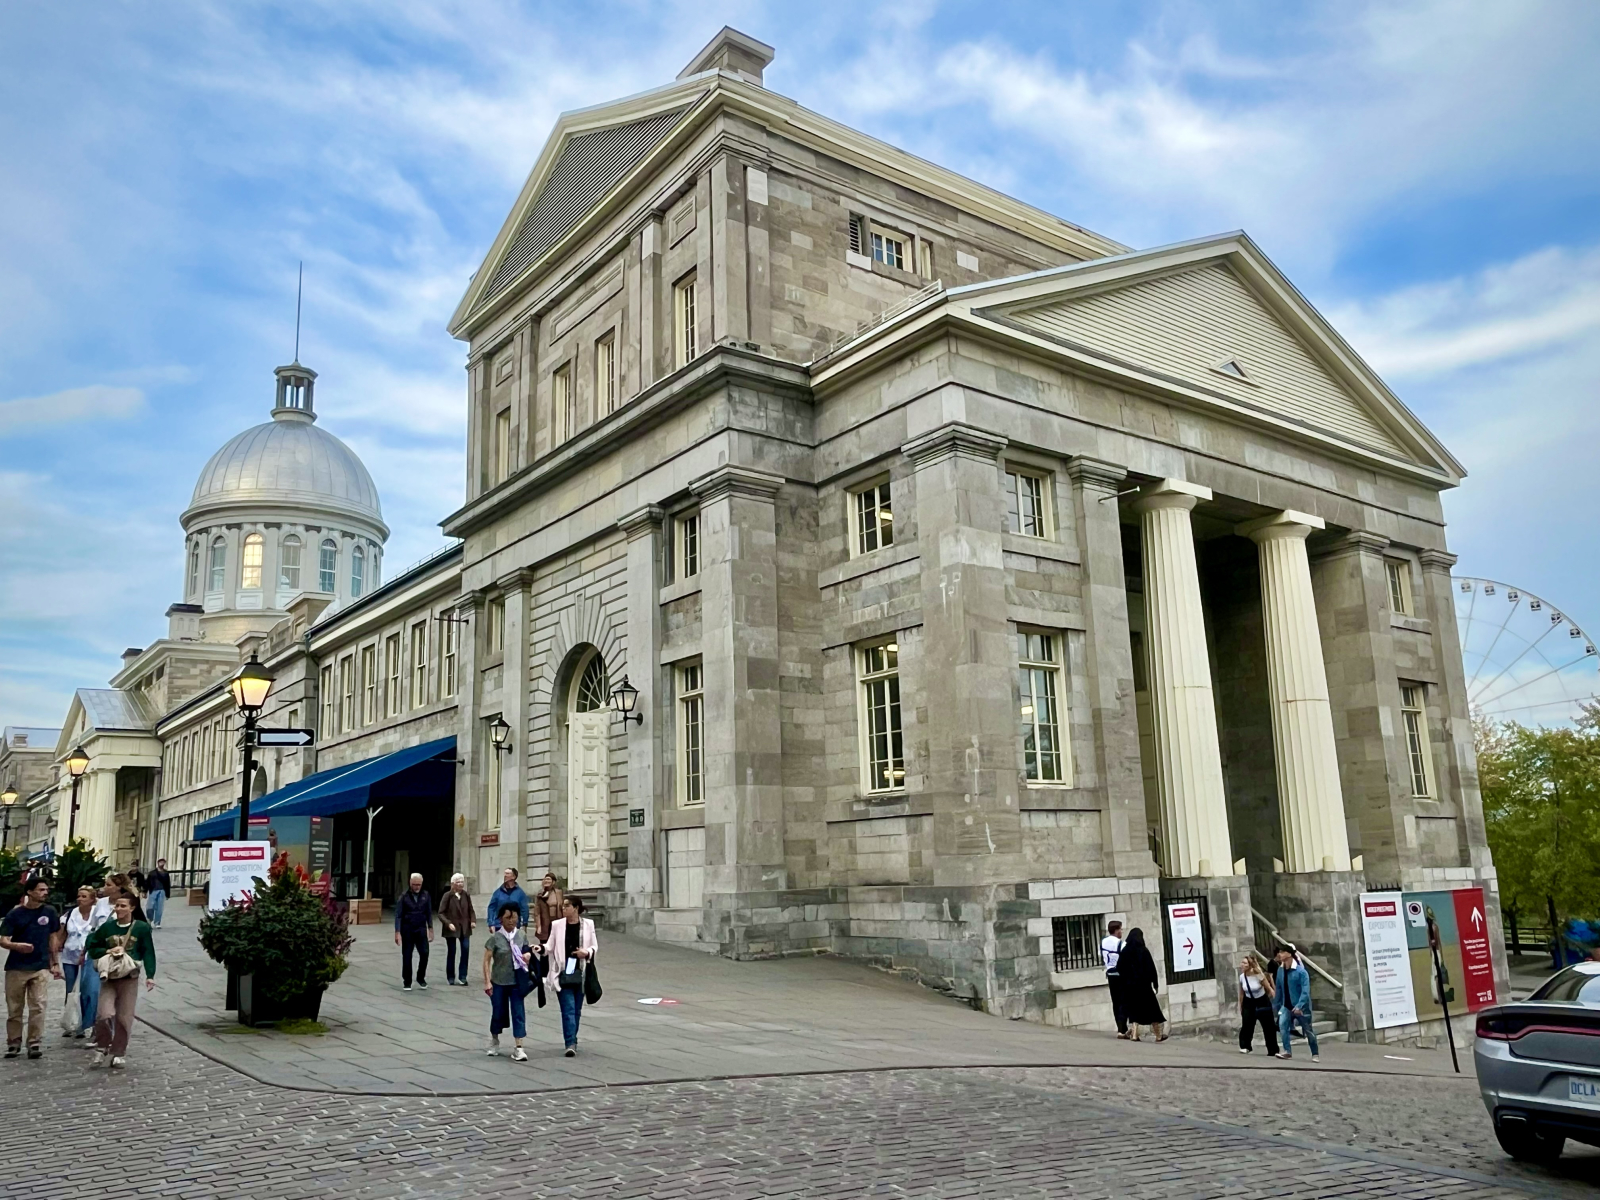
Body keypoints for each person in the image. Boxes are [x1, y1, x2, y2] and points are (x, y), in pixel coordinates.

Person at [83, 894, 156, 1068]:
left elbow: (148, 951)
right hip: (109, 977)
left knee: (124, 1017)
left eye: (123, 906)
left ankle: (119, 1052)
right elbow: (91, 946)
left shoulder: (141, 928)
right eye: (117, 905)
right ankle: (102, 1046)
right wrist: (108, 951)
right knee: (104, 1014)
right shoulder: (107, 928)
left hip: (129, 977)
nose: (119, 909)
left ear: (132, 908)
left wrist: (151, 975)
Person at [1, 876, 62, 1059]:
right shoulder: (15, 914)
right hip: (16, 967)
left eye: (46, 890)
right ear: (29, 892)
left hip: (40, 966)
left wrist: (55, 962)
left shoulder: (50, 912)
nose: (45, 893)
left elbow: (53, 937)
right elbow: (3, 940)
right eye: (41, 890)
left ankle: (34, 1042)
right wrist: (17, 946)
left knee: (38, 1006)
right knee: (15, 1008)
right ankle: (14, 1042)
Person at [544, 895, 596, 1057]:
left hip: (580, 972)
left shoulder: (588, 924)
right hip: (562, 972)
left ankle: (573, 1038)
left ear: (576, 908)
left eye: (567, 906)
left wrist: (585, 952)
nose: (563, 908)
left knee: (577, 1010)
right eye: (563, 906)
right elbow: (550, 946)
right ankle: (570, 1042)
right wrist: (540, 949)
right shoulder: (557, 925)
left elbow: (594, 946)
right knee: (568, 1009)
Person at [56, 884, 108, 1040]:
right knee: (71, 990)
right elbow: (61, 933)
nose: (80, 899)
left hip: (89, 956)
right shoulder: (70, 913)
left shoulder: (97, 913)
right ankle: (71, 1022)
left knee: (88, 991)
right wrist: (55, 951)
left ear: (93, 900)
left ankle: (87, 1023)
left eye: (84, 896)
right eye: (79, 896)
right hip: (70, 955)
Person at [483, 902, 532, 1061]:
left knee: (518, 1013)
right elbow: (487, 960)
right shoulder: (495, 938)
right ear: (500, 919)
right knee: (498, 1012)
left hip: (517, 981)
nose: (511, 921)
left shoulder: (522, 936)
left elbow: (527, 952)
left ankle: (519, 1047)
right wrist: (487, 981)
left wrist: (528, 957)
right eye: (508, 918)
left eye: (514, 917)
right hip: (499, 981)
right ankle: (494, 1039)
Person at [1115, 927, 1167, 1042]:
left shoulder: (1125, 951)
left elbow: (1119, 967)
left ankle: (1134, 1034)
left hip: (1130, 986)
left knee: (1134, 1009)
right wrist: (1156, 984)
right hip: (1144, 986)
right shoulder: (1143, 951)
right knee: (1153, 1010)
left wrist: (1126, 979)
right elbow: (1151, 968)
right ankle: (1158, 1035)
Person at [1273, 945, 1319, 1062]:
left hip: (1301, 1007)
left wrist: (1299, 1006)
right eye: (1279, 952)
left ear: (1289, 954)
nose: (1280, 954)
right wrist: (1276, 1005)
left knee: (1308, 1030)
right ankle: (1287, 1051)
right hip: (1286, 1005)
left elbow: (1305, 991)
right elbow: (1278, 989)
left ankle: (1315, 1053)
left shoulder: (1301, 972)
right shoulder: (1280, 971)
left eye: (1282, 952)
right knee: (1283, 1026)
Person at [394, 872, 434, 991]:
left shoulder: (426, 895)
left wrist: (430, 928)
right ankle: (407, 981)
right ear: (410, 884)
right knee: (407, 956)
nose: (417, 887)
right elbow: (398, 915)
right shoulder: (404, 897)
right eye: (415, 884)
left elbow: (428, 913)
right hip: (408, 929)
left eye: (419, 885)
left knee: (425, 953)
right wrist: (397, 932)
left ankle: (421, 977)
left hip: (421, 929)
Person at [1238, 953, 1279, 1055]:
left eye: (1244, 963)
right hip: (1249, 1001)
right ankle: (1245, 1046)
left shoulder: (1258, 974)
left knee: (1268, 1026)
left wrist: (1272, 993)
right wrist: (1241, 1005)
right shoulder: (1242, 977)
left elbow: (1267, 985)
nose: (1241, 965)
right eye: (1242, 962)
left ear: (1249, 965)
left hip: (1262, 1000)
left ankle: (1272, 1049)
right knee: (1247, 1024)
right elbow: (1241, 992)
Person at [439, 873, 475, 986]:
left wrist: (473, 921)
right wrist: (448, 923)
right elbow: (441, 913)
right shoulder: (447, 896)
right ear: (453, 884)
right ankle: (450, 976)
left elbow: (471, 910)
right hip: (452, 929)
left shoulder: (466, 895)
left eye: (462, 882)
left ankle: (462, 976)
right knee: (452, 951)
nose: (461, 884)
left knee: (465, 950)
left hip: (464, 928)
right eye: (458, 882)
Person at [1101, 919, 1128, 1038]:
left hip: (1110, 974)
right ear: (1116, 930)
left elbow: (1100, 955)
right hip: (1120, 975)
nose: (1121, 931)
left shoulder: (1103, 942)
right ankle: (1123, 1029)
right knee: (1123, 1001)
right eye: (1120, 929)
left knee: (1115, 1002)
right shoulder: (1121, 943)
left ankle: (1119, 1028)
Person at [534, 872, 564, 943]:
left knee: (557, 943)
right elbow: (537, 912)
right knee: (544, 944)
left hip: (557, 921)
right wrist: (538, 926)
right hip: (545, 922)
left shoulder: (558, 893)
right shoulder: (540, 894)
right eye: (545, 879)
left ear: (553, 882)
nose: (546, 881)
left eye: (548, 879)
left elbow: (562, 907)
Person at [144, 859, 173, 929]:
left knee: (159, 907)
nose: (162, 863)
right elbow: (147, 882)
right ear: (158, 863)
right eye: (160, 862)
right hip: (153, 890)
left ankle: (157, 922)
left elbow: (167, 884)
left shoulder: (166, 873)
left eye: (163, 862)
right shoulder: (152, 873)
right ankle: (149, 919)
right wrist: (145, 891)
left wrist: (168, 894)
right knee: (150, 907)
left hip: (162, 890)